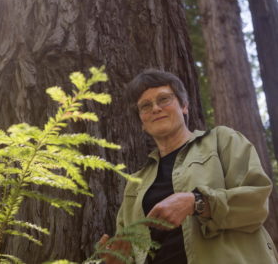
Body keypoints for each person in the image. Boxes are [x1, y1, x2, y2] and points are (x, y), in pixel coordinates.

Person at [99, 69, 278, 264]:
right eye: (145, 106)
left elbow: (256, 202)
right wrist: (116, 260)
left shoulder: (222, 140)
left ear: (184, 105)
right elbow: (131, 249)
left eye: (164, 99)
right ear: (142, 122)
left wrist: (197, 202)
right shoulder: (135, 184)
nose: (156, 108)